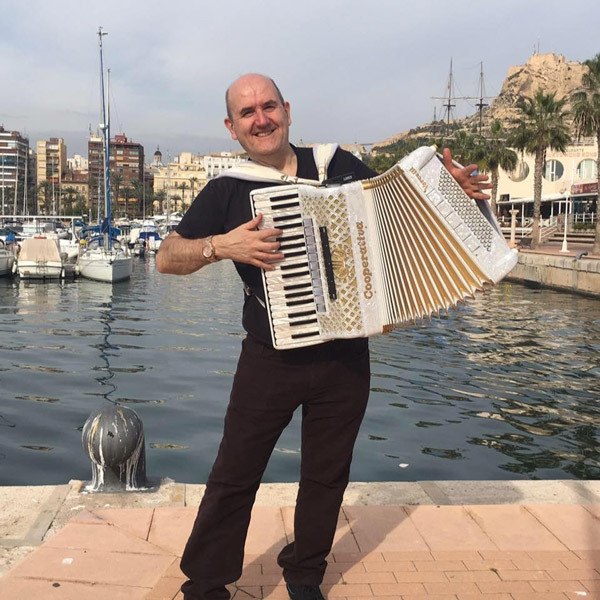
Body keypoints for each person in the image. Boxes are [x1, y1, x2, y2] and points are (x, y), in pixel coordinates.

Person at [156, 73, 491, 600]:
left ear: (287, 110)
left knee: (327, 473)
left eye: (269, 106)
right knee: (235, 472)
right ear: (232, 128)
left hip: (345, 355)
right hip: (271, 354)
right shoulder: (227, 188)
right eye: (247, 113)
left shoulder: (338, 166)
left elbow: (399, 219)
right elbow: (166, 258)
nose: (261, 118)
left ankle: (305, 572)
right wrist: (221, 246)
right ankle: (206, 582)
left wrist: (453, 195)